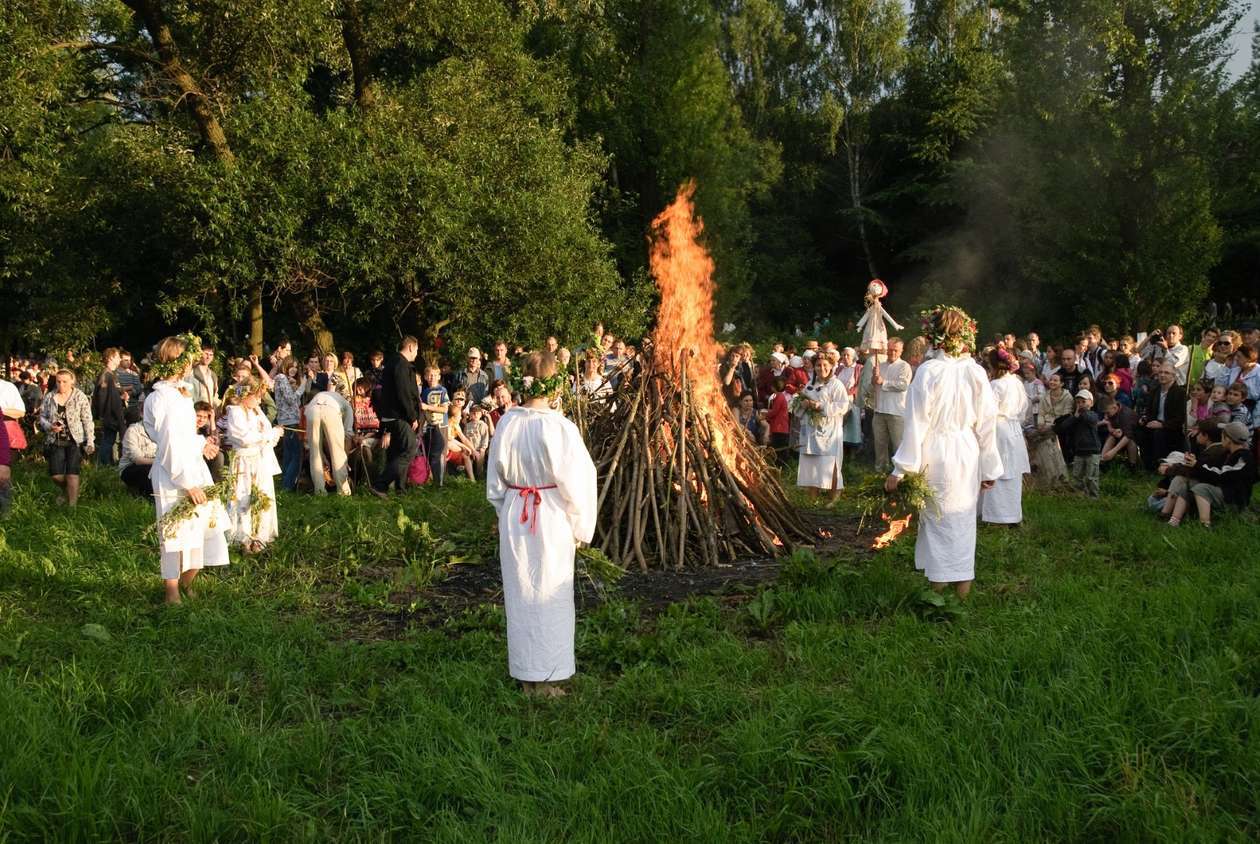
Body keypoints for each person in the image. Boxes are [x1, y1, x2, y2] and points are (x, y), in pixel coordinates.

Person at [485, 351, 597, 697]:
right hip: (550, 516)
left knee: (522, 591)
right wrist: (580, 526)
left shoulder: (507, 423)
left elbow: (495, 483)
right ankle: (544, 679)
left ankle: (529, 677)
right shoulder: (560, 428)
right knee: (549, 592)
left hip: (516, 514)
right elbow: (579, 481)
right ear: (555, 383)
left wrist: (505, 510)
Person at [886, 306, 1001, 600]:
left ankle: (937, 597)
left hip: (936, 451)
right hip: (967, 450)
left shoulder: (928, 371)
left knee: (938, 519)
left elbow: (916, 423)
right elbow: (987, 424)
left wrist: (900, 470)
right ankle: (961, 594)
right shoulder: (976, 372)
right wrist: (989, 467)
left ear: (933, 336)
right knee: (962, 519)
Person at [145, 335, 228, 604]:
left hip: (192, 466)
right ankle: (171, 591)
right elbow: (169, 443)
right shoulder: (163, 398)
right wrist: (187, 483)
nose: (192, 364)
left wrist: (202, 445)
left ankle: (187, 581)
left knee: (198, 527)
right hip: (174, 473)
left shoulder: (180, 393)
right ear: (179, 362)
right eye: (189, 360)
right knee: (175, 531)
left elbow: (185, 435)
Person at [1160, 421, 1256, 527]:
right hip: (1222, 492)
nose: (1221, 438)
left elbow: (1221, 474)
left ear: (1228, 439)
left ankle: (1205, 525)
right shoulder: (1227, 453)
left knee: (1202, 488)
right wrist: (1195, 463)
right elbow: (1210, 468)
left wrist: (1197, 465)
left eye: (1222, 436)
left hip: (1233, 501)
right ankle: (1172, 520)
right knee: (1187, 483)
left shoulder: (1244, 458)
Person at [223, 379, 282, 552]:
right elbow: (245, 438)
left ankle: (259, 535)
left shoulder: (256, 411)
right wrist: (268, 435)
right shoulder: (235, 412)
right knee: (243, 495)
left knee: (260, 495)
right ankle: (243, 536)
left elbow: (266, 434)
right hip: (243, 462)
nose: (259, 400)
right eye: (257, 396)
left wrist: (274, 433)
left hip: (258, 459)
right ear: (246, 395)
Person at [981, 348, 1030, 526]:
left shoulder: (996, 385)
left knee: (997, 468)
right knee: (1012, 471)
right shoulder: (1016, 382)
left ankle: (996, 516)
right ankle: (1012, 514)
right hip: (1014, 428)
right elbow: (1024, 408)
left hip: (999, 428)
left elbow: (988, 411)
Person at [795, 351, 851, 503]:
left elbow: (843, 406)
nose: (821, 368)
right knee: (812, 463)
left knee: (830, 463)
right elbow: (800, 404)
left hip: (829, 432)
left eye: (825, 365)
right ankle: (813, 497)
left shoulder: (836, 384)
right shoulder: (810, 384)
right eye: (818, 365)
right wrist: (802, 404)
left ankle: (834, 497)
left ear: (831, 366)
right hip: (811, 430)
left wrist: (820, 406)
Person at [371, 337, 422, 496]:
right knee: (409, 450)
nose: (417, 354)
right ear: (410, 347)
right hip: (399, 417)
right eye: (417, 350)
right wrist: (412, 416)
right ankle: (380, 485)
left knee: (398, 452)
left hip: (391, 416)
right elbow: (404, 393)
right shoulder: (401, 364)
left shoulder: (393, 362)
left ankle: (401, 489)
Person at [38, 370, 94, 507]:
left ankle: (72, 507)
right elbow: (42, 417)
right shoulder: (50, 397)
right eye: (58, 381)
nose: (61, 384)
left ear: (72, 382)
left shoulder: (80, 396)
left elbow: (87, 420)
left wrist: (90, 440)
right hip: (55, 439)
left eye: (65, 382)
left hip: (75, 440)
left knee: (72, 473)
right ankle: (67, 490)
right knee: (56, 475)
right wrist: (50, 426)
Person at [870, 338, 912, 471]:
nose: (892, 353)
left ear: (901, 351)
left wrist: (883, 382)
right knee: (879, 443)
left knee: (897, 444)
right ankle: (881, 469)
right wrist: (873, 378)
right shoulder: (880, 365)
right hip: (880, 409)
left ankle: (899, 471)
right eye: (890, 350)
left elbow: (903, 385)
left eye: (895, 350)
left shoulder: (904, 366)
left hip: (896, 411)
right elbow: (874, 385)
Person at [306, 387, 356, 496]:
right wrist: (345, 459)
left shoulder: (328, 396)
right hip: (331, 411)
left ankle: (319, 491)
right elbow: (348, 435)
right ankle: (343, 492)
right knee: (338, 453)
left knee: (315, 454)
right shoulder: (348, 407)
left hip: (311, 410)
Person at [1137, 363, 1186, 470]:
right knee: (1138, 430)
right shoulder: (1155, 391)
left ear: (1173, 376)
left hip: (1171, 427)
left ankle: (1159, 465)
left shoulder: (1180, 393)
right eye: (1160, 372)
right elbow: (1149, 411)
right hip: (1154, 423)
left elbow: (1180, 418)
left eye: (1166, 373)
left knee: (1159, 434)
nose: (1162, 375)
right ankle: (1146, 465)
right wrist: (1144, 419)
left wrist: (1162, 425)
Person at [1055, 390, 1102, 497]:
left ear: (1091, 403)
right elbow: (1063, 427)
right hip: (1079, 451)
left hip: (1092, 451)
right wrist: (1075, 417)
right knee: (1077, 476)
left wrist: (1083, 412)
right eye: (1078, 402)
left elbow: (1090, 420)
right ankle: (1080, 494)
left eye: (1083, 402)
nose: (1080, 404)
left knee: (1091, 477)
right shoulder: (1075, 418)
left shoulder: (1093, 415)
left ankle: (1093, 496)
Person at [272, 358, 306, 492]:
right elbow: (291, 400)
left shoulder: (285, 380)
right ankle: (288, 485)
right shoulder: (281, 378)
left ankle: (285, 484)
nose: (294, 370)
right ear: (285, 366)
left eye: (296, 367)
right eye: (291, 366)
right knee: (296, 455)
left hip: (289, 420)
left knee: (289, 454)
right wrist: (302, 387)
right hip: (289, 421)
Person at [92, 347, 126, 465]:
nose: (120, 359)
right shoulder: (106, 375)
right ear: (111, 358)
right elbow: (102, 396)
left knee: (110, 440)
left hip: (113, 413)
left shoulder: (111, 374)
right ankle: (104, 465)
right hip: (109, 414)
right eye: (118, 357)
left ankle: (108, 463)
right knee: (108, 440)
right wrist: (103, 415)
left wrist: (122, 396)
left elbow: (113, 394)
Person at [419, 365, 450, 487]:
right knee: (431, 454)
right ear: (425, 377)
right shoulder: (425, 392)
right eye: (429, 375)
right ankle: (433, 479)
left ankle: (440, 483)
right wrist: (420, 428)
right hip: (430, 427)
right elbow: (423, 413)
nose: (432, 377)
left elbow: (444, 409)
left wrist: (427, 407)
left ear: (439, 376)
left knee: (440, 454)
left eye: (435, 375)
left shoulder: (443, 390)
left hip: (441, 426)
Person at [118, 402, 157, 497]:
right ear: (142, 414)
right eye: (149, 413)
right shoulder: (133, 431)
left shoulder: (162, 431)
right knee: (150, 471)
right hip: (131, 467)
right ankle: (149, 498)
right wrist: (160, 462)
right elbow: (137, 460)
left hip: (155, 464)